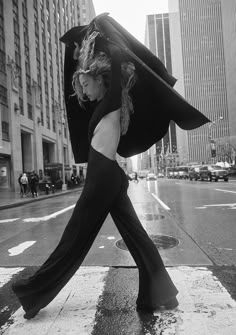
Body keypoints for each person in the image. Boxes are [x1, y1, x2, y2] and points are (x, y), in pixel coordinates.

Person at [12, 13, 209, 319]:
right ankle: (163, 295)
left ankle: (33, 290)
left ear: (99, 79)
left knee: (75, 238)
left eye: (86, 83)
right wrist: (80, 54)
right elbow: (88, 95)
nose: (84, 91)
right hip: (108, 176)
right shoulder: (102, 106)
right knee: (135, 237)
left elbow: (116, 63)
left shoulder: (114, 100)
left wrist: (103, 32)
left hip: (103, 177)